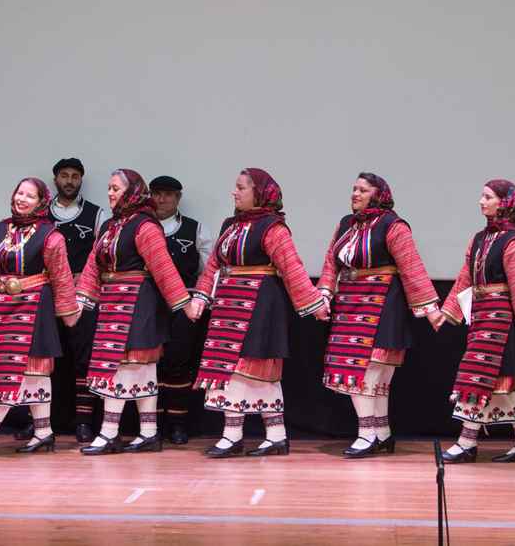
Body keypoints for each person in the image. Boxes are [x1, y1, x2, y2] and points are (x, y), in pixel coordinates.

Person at [186, 168, 330, 457]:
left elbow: (292, 268)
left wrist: (315, 304)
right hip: (228, 304)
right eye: (235, 187)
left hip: (259, 305)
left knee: (251, 370)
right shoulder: (231, 224)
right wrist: (201, 297)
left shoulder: (273, 228)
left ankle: (262, 435)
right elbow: (214, 264)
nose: (234, 192)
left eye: (240, 187)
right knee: (228, 369)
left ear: (259, 192)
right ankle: (248, 435)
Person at [316, 173, 441, 458]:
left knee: (371, 374)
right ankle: (381, 434)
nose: (355, 194)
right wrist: (323, 295)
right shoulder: (346, 225)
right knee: (366, 376)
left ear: (378, 194)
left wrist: (431, 310)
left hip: (381, 304)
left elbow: (411, 267)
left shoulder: (392, 225)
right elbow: (329, 264)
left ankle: (367, 434)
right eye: (354, 189)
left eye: (362, 190)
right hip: (349, 305)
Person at [74, 170, 191, 455]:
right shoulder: (111, 225)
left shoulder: (145, 226)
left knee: (129, 367)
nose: (111, 193)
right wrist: (80, 301)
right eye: (109, 188)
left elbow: (163, 268)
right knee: (136, 370)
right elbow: (92, 266)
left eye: (115, 188)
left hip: (139, 304)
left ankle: (109, 433)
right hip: (112, 303)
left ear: (132, 191)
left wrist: (184, 305)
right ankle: (149, 433)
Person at [0, 178, 81, 455]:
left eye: (30, 195)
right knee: (1, 370)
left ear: (42, 202)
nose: (22, 199)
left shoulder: (51, 235)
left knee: (34, 370)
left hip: (34, 307)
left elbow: (61, 277)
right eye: (19, 193)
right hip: (2, 308)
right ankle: (43, 432)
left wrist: (69, 313)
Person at [438, 180, 515, 463]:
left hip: (504, 320)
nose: (481, 202)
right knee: (493, 378)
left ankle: (469, 441)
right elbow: (465, 278)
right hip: (482, 315)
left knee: (499, 379)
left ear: (504, 202)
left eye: (487, 197)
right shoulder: (480, 238)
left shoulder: (513, 241)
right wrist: (446, 313)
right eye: (482, 196)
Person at [43, 157, 105, 443]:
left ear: (81, 180)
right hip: (46, 296)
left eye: (75, 176)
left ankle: (83, 422)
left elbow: (102, 257)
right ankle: (41, 423)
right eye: (64, 175)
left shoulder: (96, 214)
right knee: (45, 360)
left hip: (82, 297)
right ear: (56, 179)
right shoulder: (41, 213)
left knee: (84, 360)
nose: (69, 181)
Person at [150, 174, 212, 445]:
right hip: (150, 306)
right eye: (157, 193)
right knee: (150, 363)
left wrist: (197, 301)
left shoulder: (195, 229)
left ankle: (177, 424)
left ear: (178, 198)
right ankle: (151, 425)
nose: (161, 199)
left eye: (168, 194)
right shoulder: (142, 227)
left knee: (178, 363)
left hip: (183, 307)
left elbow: (208, 271)